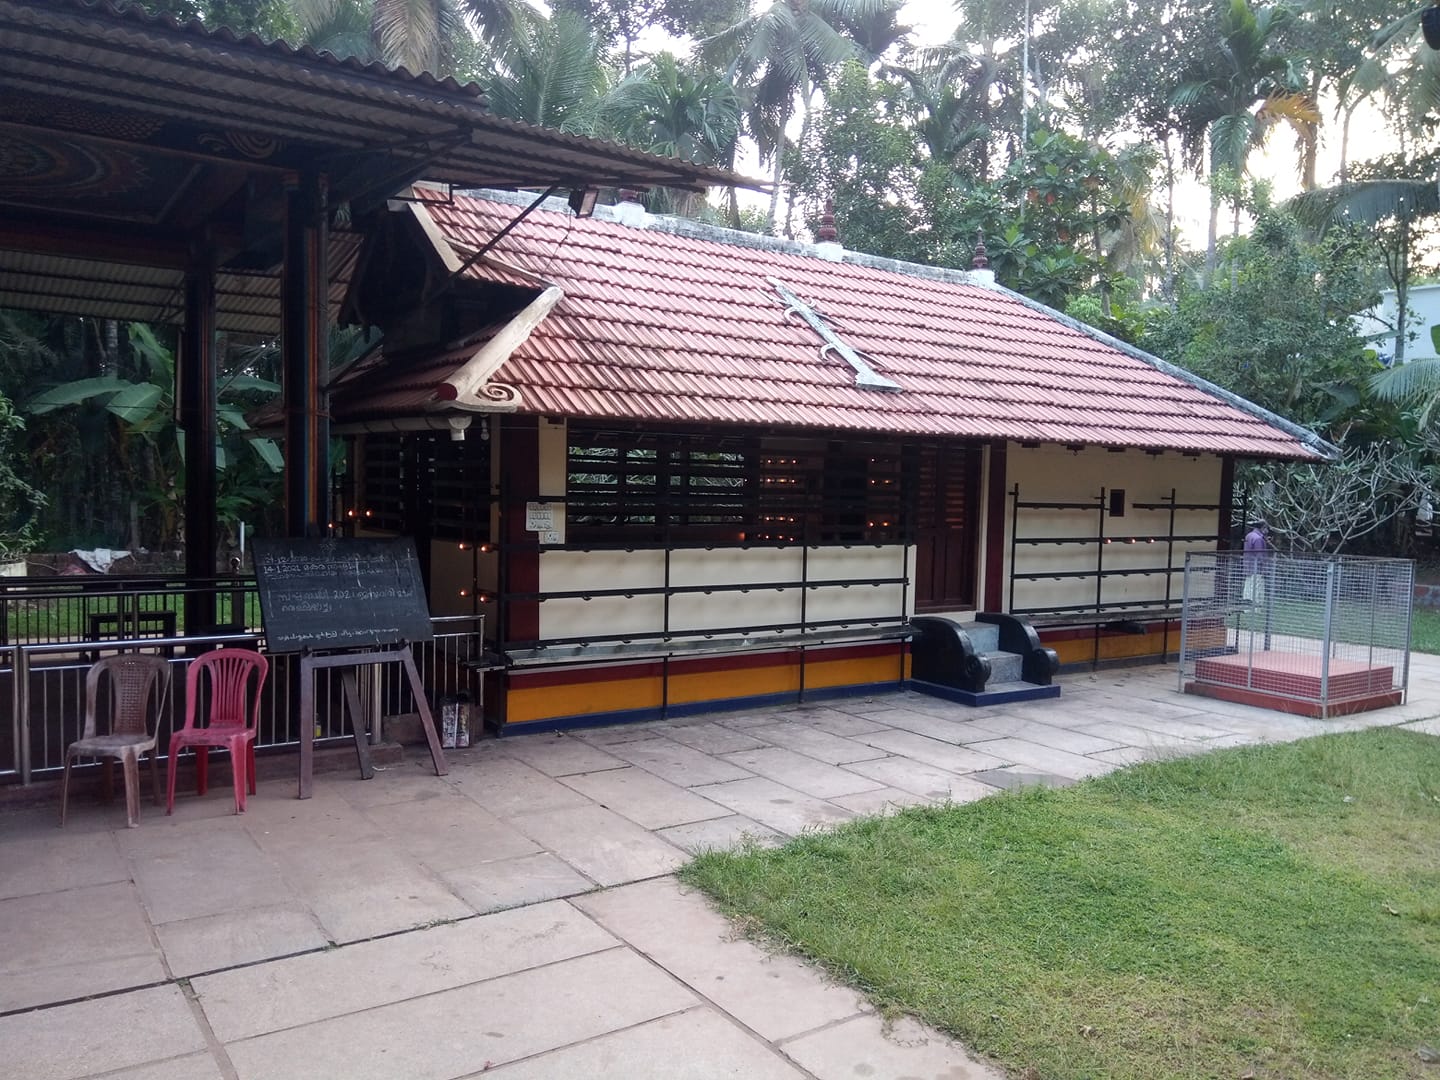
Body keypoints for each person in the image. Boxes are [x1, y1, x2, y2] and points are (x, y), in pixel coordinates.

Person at [1242, 520, 1267, 604]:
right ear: (1263, 527)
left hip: (1247, 566)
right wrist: (1264, 569)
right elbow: (1260, 556)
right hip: (1256, 569)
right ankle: (1256, 608)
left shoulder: (1249, 536)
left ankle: (1246, 607)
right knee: (1256, 590)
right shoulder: (1258, 539)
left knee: (1248, 588)